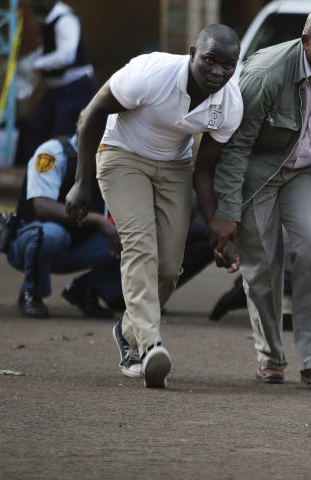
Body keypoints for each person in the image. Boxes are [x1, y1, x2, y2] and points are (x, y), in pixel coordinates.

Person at [66, 24, 243, 389]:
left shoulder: (229, 103)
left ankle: (128, 330)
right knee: (140, 247)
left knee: (169, 268)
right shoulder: (151, 73)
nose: (218, 72)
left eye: (228, 65)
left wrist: (217, 226)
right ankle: (148, 346)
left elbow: (205, 169)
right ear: (193, 53)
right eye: (210, 61)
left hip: (175, 168)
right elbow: (91, 115)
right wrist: (82, 182)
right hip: (121, 156)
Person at [210, 4, 311, 389]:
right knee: (261, 262)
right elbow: (235, 147)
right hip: (259, 171)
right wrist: (227, 212)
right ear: (305, 42)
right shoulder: (265, 75)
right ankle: (270, 356)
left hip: (309, 171)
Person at [7, 134, 123, 320]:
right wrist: (98, 220)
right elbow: (42, 206)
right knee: (50, 234)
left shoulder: (115, 158)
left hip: (82, 244)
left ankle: (87, 290)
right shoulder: (54, 152)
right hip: (33, 241)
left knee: (139, 238)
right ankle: (31, 293)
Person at [18, 0, 96, 161]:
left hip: (75, 86)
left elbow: (65, 55)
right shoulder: (47, 21)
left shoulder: (65, 20)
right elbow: (47, 49)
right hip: (57, 88)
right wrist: (29, 61)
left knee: (64, 135)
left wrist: (36, 64)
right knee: (37, 128)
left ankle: (65, 178)